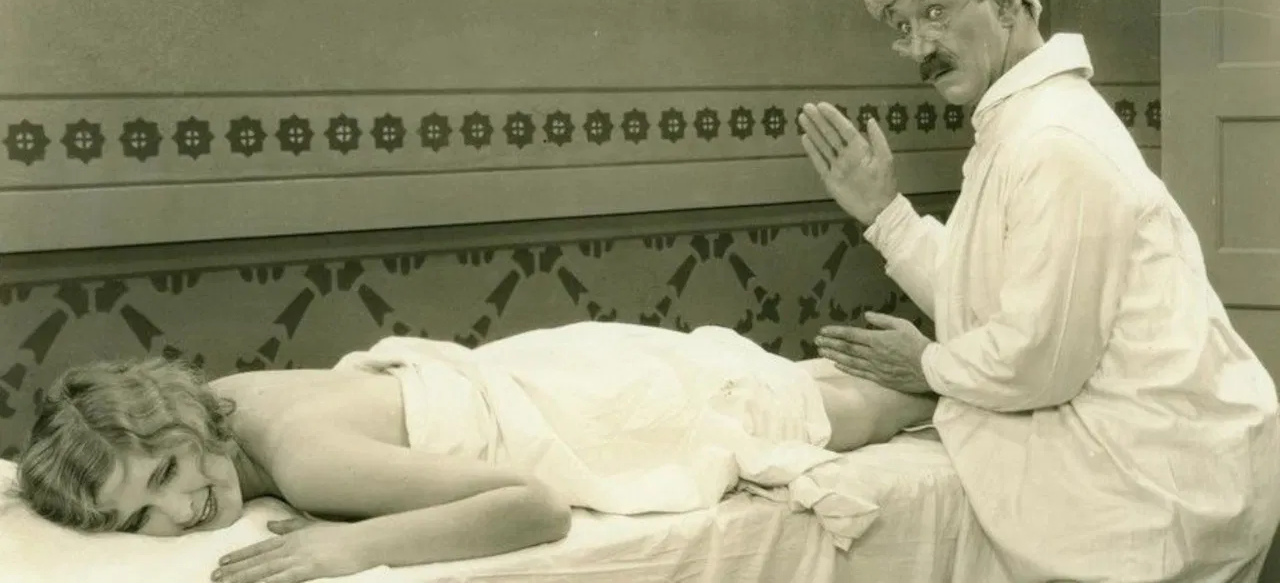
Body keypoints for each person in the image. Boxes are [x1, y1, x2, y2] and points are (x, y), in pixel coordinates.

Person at [800, 0, 1280, 582]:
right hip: (1130, 433)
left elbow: (1037, 360)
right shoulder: (1020, 123)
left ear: (1008, 5)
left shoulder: (1055, 141)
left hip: (1157, 480)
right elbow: (993, 301)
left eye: (935, 12)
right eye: (903, 28)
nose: (918, 47)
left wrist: (928, 367)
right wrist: (885, 213)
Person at [12, 320, 935, 583]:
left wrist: (350, 545)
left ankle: (970, 376)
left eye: (168, 472)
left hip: (590, 405)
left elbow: (532, 506)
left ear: (177, 420)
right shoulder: (224, 402)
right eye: (141, 512)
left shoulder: (302, 459)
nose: (178, 511)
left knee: (854, 413)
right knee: (803, 388)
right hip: (550, 360)